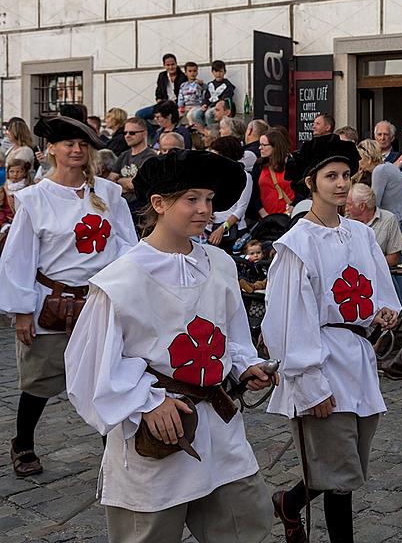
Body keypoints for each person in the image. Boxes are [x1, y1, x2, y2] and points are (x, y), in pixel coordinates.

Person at [65, 149, 274, 542]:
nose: (204, 209)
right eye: (191, 199)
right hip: (161, 432)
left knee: (245, 527)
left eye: (209, 200)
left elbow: (232, 335)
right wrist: (147, 402)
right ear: (159, 204)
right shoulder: (122, 278)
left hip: (219, 429)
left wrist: (245, 365)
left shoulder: (220, 263)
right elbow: (88, 367)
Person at [263, 134, 401, 543]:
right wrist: (308, 381)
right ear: (311, 182)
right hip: (322, 358)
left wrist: (384, 306)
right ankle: (299, 509)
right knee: (337, 470)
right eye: (331, 176)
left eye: (346, 175)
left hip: (357, 357)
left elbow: (377, 281)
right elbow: (288, 318)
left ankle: (289, 502)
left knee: (348, 469)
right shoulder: (297, 243)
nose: (341, 184)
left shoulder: (358, 234)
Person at [0, 115, 137, 477]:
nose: (76, 150)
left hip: (99, 301)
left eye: (82, 145)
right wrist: (22, 312)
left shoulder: (109, 193)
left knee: (104, 378)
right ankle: (23, 443)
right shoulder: (34, 198)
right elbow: (18, 258)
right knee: (40, 381)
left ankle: (112, 450)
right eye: (67, 144)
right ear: (52, 150)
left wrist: (126, 291)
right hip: (51, 301)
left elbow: (127, 245)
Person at [207, 136, 253, 248]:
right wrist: (206, 214)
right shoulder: (210, 175)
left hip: (233, 232)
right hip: (209, 229)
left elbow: (241, 209)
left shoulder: (245, 177)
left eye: (216, 154)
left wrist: (222, 229)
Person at [346, 183, 402, 267]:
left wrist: (368, 266)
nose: (346, 208)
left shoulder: (388, 220)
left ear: (362, 206)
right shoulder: (346, 222)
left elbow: (394, 258)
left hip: (381, 275)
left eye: (349, 205)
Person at [109, 117, 157, 220]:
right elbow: (111, 180)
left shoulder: (150, 156)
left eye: (132, 133)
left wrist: (119, 181)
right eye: (125, 133)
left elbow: (137, 184)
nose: (127, 136)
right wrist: (124, 182)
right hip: (121, 207)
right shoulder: (124, 155)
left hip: (140, 209)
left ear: (144, 133)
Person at [136, 54, 187, 135]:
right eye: (168, 65)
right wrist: (159, 100)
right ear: (164, 65)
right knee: (139, 114)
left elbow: (184, 94)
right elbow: (158, 91)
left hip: (175, 104)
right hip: (163, 104)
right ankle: (154, 136)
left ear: (176, 64)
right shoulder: (162, 75)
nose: (171, 67)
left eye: (173, 64)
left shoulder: (183, 76)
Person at [255, 129, 292, 218]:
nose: (260, 148)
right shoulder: (259, 165)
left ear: (275, 146)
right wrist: (263, 213)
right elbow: (254, 193)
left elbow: (301, 190)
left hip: (289, 215)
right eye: (260, 145)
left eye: (263, 145)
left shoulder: (291, 163)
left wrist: (294, 206)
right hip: (267, 217)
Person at [199, 60, 236, 128]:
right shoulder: (210, 84)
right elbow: (207, 97)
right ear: (212, 72)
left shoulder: (227, 85)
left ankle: (212, 130)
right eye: (216, 71)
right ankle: (202, 129)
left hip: (220, 107)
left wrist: (212, 106)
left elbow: (225, 99)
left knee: (208, 113)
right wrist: (204, 104)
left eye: (220, 71)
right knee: (196, 114)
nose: (218, 74)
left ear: (224, 72)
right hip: (209, 106)